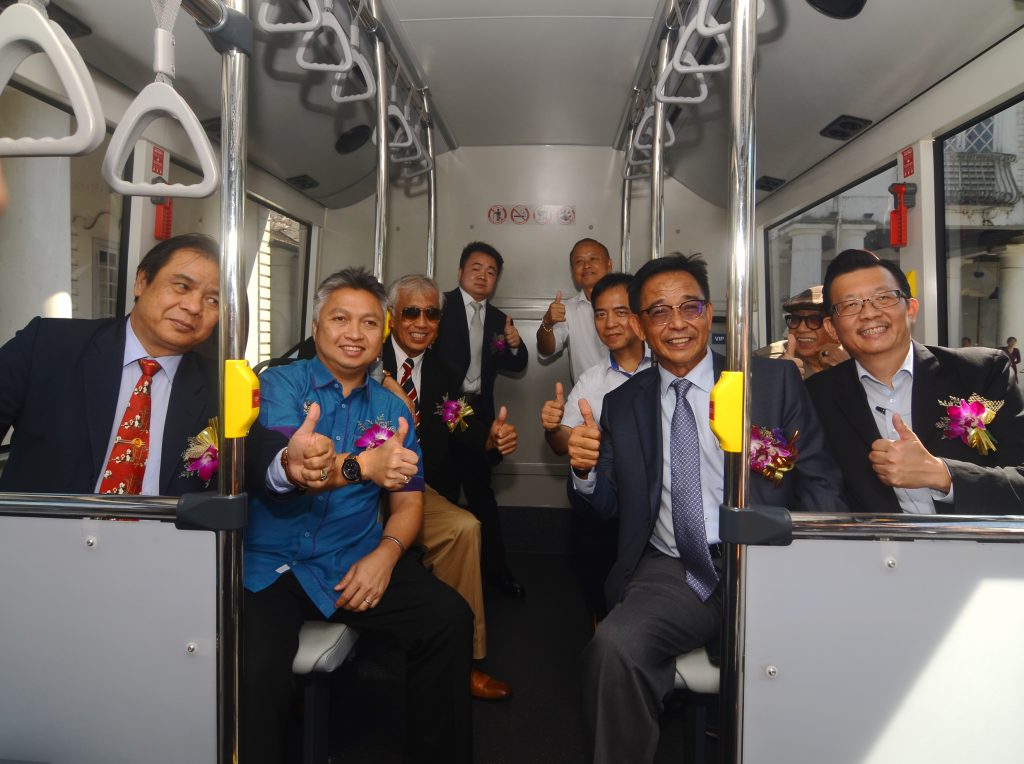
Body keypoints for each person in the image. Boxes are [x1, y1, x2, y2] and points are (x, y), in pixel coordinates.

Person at [569, 254, 845, 764]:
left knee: (824, 658)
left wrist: (808, 566)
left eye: (689, 307)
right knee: (613, 649)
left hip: (769, 561)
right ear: (640, 326)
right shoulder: (623, 404)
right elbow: (607, 505)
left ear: (710, 310)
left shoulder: (769, 383)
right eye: (659, 311)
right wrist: (583, 469)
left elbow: (820, 481)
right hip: (675, 567)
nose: (677, 323)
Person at [242, 268, 473, 764]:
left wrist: (386, 556)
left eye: (369, 323)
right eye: (340, 319)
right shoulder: (277, 385)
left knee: (450, 620)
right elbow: (293, 468)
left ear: (382, 332)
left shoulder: (394, 410)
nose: (355, 333)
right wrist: (363, 465)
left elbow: (408, 503)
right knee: (256, 671)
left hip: (352, 557)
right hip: (272, 566)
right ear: (316, 325)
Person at [807, 248, 1024, 514]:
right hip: (878, 541)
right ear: (832, 328)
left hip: (976, 538)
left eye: (883, 297)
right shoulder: (816, 398)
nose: (869, 313)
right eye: (850, 305)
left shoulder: (981, 372)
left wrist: (942, 475)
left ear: (911, 309)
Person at [0, 233, 221, 495]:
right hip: (42, 521)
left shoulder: (222, 388)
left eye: (213, 300)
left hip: (162, 523)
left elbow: (254, 468)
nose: (194, 307)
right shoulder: (46, 345)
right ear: (141, 282)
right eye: (182, 286)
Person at [382, 273, 516, 700]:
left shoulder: (443, 371)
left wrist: (489, 439)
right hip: (354, 486)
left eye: (432, 314)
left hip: (413, 487)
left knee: (465, 527)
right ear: (391, 316)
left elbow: (456, 419)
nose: (422, 322)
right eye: (411, 312)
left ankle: (465, 661)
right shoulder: (365, 352)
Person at [540, 272, 651, 619]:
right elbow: (562, 444)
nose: (609, 323)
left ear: (640, 314)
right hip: (610, 499)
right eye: (600, 314)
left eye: (620, 312)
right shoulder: (592, 379)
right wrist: (554, 429)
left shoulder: (668, 367)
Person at [433, 242, 529, 597]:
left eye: (491, 272)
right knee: (440, 492)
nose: (483, 276)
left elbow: (513, 363)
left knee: (482, 497)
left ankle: (496, 572)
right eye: (476, 268)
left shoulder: (499, 320)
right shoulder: (438, 308)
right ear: (460, 271)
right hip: (443, 409)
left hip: (479, 413)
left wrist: (514, 343)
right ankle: (436, 576)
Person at [536, 238, 614, 383]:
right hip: (587, 395)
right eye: (579, 261)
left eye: (593, 259)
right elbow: (546, 350)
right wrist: (547, 323)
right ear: (573, 272)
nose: (586, 265)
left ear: (609, 264)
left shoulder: (631, 302)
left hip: (633, 392)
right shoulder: (567, 309)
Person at [762, 285, 850, 378]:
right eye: (795, 319)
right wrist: (778, 379)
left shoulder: (856, 357)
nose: (801, 329)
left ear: (833, 327)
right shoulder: (767, 361)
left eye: (814, 320)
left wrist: (846, 369)